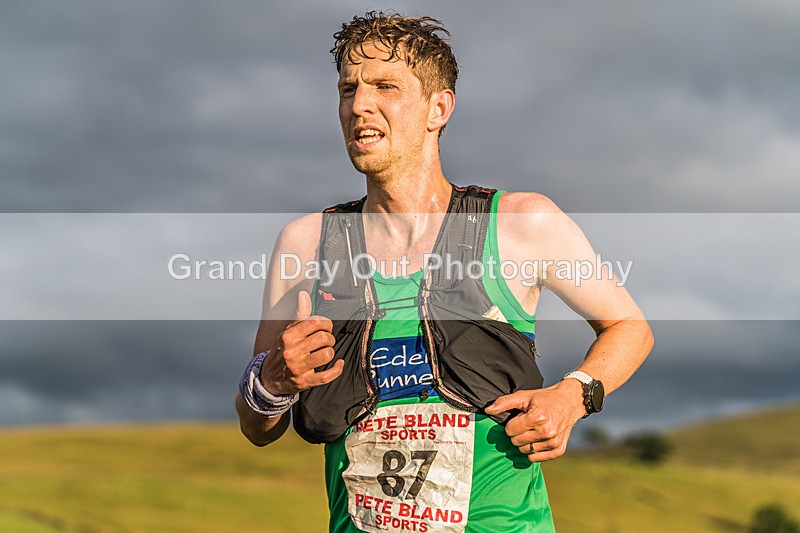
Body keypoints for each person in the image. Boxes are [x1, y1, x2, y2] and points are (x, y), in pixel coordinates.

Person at [236, 12, 653, 533]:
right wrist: (273, 381)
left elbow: (630, 328)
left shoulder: (522, 223)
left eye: (385, 86)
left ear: (438, 108)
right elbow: (257, 427)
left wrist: (573, 395)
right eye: (348, 89)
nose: (359, 104)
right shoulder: (304, 244)